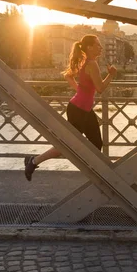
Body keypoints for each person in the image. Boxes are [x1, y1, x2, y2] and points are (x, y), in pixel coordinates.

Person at [24, 34, 117, 181]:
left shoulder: (85, 62)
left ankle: (94, 174)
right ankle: (33, 162)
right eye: (98, 45)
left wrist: (80, 90)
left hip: (83, 109)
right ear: (89, 47)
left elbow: (68, 76)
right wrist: (111, 75)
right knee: (68, 145)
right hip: (78, 111)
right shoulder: (91, 64)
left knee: (96, 143)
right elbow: (100, 88)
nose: (101, 47)